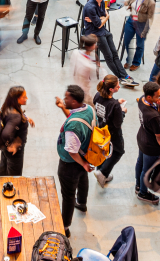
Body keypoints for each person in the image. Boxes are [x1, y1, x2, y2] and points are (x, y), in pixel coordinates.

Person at [55, 84, 94, 237]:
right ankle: (82, 203)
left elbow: (71, 151)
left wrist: (82, 163)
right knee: (83, 176)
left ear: (74, 102)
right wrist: (84, 163)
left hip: (69, 164)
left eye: (66, 98)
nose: (64, 99)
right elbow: (73, 117)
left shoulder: (73, 127)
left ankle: (64, 227)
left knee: (68, 195)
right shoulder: (88, 109)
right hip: (84, 154)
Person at [82, 0, 136, 86]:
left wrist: (100, 19)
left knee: (114, 54)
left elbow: (101, 18)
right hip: (94, 33)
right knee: (109, 56)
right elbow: (99, 24)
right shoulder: (90, 7)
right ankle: (120, 77)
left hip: (103, 31)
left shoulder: (101, 2)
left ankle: (125, 76)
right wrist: (105, 17)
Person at [93, 75, 126, 187]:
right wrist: (122, 111)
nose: (119, 87)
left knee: (103, 149)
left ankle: (100, 170)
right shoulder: (115, 106)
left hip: (100, 129)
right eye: (117, 86)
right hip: (112, 133)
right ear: (111, 89)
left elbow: (103, 106)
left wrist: (116, 101)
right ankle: (103, 173)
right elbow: (118, 123)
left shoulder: (98, 95)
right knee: (118, 151)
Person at [135, 81, 160, 205]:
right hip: (150, 144)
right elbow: (159, 136)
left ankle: (138, 185)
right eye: (158, 96)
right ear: (149, 97)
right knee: (147, 171)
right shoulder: (152, 116)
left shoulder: (142, 99)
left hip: (142, 137)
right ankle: (143, 192)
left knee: (140, 163)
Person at [0, 85, 33, 176]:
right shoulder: (15, 116)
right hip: (14, 153)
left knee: (3, 169)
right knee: (14, 177)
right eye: (24, 97)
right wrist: (14, 144)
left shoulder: (8, 107)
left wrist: (25, 118)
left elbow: (11, 120)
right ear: (17, 99)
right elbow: (6, 134)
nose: (26, 98)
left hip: (5, 148)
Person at [121, 0, 155, 73]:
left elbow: (150, 18)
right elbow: (130, 1)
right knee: (126, 41)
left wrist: (145, 30)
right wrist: (125, 3)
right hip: (131, 20)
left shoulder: (150, 2)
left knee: (139, 44)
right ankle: (129, 59)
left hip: (142, 24)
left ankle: (136, 62)